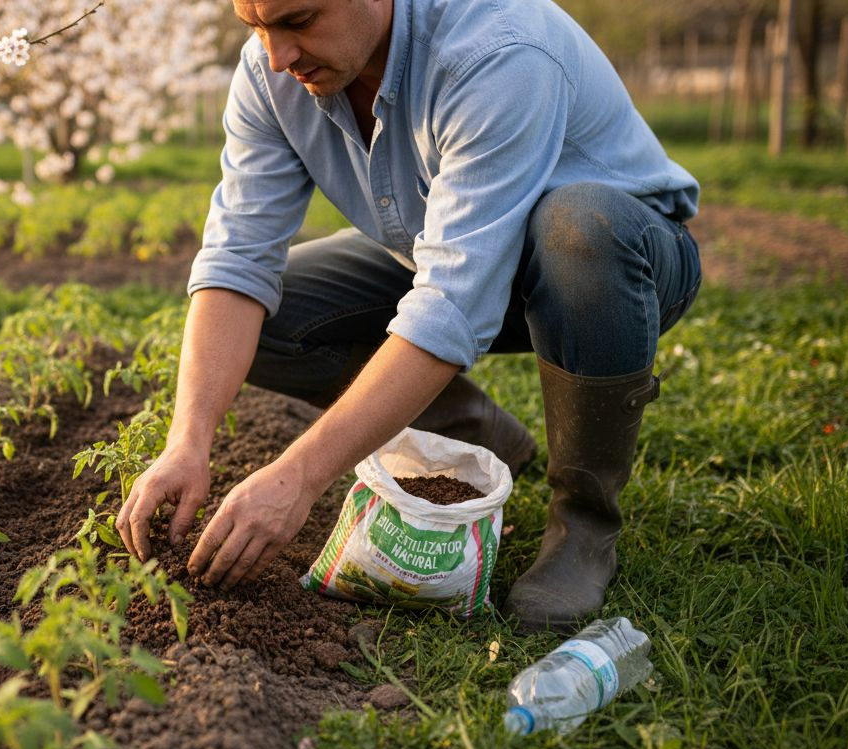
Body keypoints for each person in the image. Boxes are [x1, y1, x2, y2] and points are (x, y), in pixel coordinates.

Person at [115, 0, 702, 633]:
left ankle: (584, 526)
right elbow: (236, 260)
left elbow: (451, 302)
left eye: (299, 20)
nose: (277, 54)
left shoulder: (497, 49)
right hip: (439, 253)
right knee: (274, 314)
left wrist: (299, 476)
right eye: (256, 27)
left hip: (614, 265)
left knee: (579, 226)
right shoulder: (270, 76)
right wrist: (188, 441)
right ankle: (472, 433)